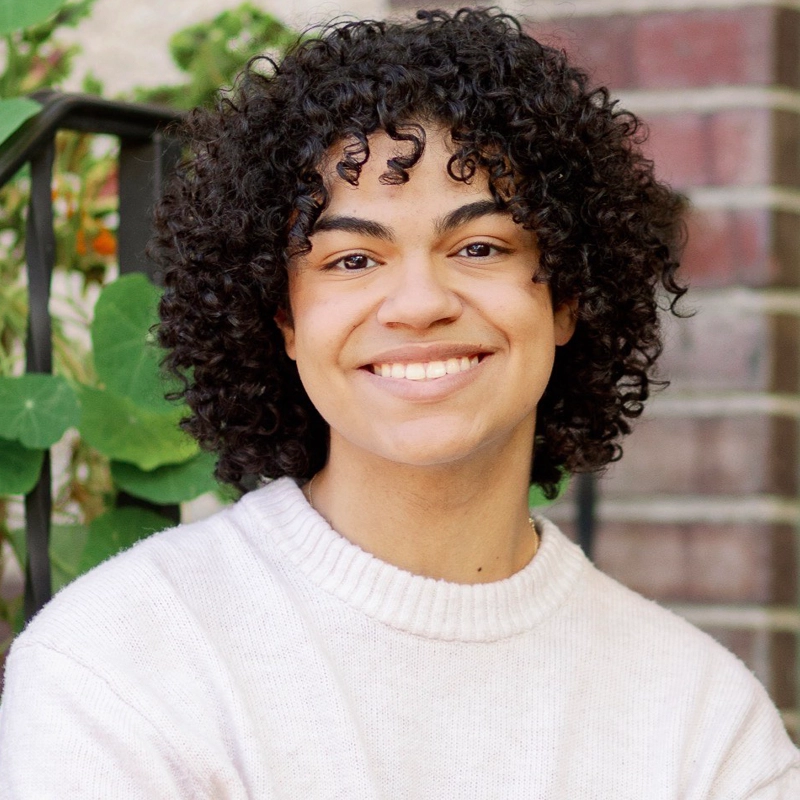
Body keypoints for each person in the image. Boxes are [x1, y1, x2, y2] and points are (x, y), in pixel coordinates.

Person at [1, 8, 798, 798]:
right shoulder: (121, 661)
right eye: (352, 258)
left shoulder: (703, 723)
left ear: (566, 299)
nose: (417, 304)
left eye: (479, 246)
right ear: (282, 315)